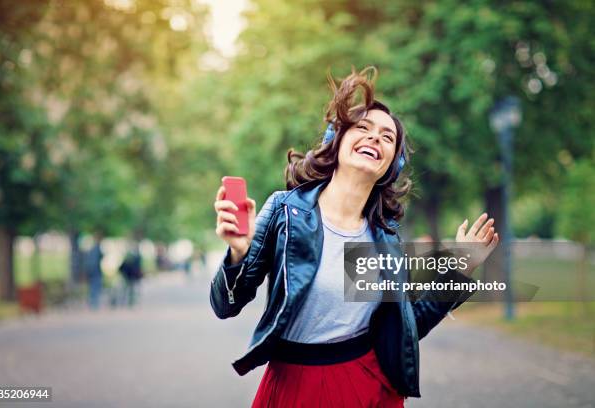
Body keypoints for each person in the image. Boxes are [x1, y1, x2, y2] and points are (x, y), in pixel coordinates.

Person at [210, 67, 499, 407]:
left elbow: (404, 330)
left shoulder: (382, 239)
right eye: (363, 128)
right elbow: (225, 306)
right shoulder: (285, 212)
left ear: (391, 164)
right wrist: (239, 255)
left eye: (387, 137)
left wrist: (458, 272)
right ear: (338, 142)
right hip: (292, 386)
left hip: (366, 386)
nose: (375, 138)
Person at [119, 243, 143, 307]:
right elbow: (138, 267)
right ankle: (130, 301)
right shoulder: (137, 257)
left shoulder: (129, 256)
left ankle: (127, 301)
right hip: (132, 275)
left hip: (128, 275)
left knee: (127, 289)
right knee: (131, 289)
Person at [85, 231, 104, 310]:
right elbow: (94, 261)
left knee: (94, 287)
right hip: (95, 271)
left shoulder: (93, 249)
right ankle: (94, 304)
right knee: (95, 287)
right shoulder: (96, 249)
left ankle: (93, 303)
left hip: (94, 271)